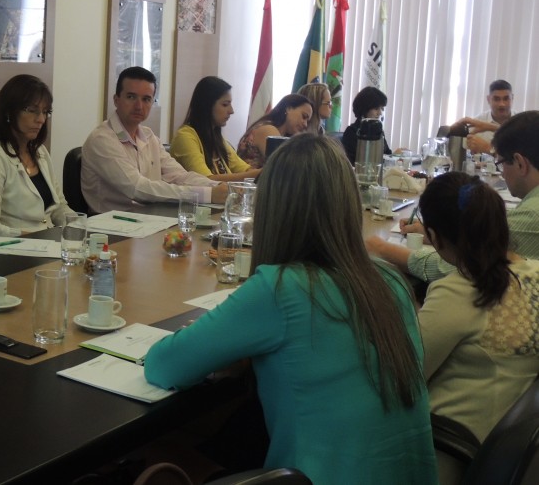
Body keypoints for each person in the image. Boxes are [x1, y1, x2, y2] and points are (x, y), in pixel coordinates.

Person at [143, 134, 436, 484]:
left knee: (152, 456)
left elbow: (163, 365)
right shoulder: (392, 282)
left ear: (271, 210)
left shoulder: (280, 288)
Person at [415, 172, 539, 481]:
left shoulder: (458, 293)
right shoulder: (536, 274)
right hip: (509, 454)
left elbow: (400, 379)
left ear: (434, 237)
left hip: (448, 457)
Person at [366, 111, 539, 283]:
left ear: (520, 163)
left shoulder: (530, 216)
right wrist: (442, 235)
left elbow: (459, 266)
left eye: (500, 163)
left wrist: (382, 248)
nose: (502, 173)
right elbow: (479, 241)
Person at [81, 67, 227, 213]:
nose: (139, 106)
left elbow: (179, 176)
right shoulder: (102, 139)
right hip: (111, 224)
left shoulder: (149, 136)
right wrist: (208, 195)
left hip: (151, 218)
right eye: (131, 97)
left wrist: (220, 187)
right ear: (116, 100)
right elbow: (137, 188)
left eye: (146, 99)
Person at [0, 74, 72, 241]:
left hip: (48, 243)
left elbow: (59, 207)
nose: (41, 119)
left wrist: (80, 227)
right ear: (9, 112)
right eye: (32, 110)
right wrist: (36, 238)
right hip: (16, 249)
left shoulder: (40, 152)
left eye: (45, 112)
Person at [169, 76, 261, 181]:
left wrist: (263, 172)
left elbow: (244, 170)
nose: (231, 111)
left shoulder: (216, 137)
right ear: (207, 105)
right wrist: (259, 174)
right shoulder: (185, 137)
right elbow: (206, 180)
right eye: (225, 104)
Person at [235, 93, 313, 169]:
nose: (305, 124)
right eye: (304, 116)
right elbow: (283, 168)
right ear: (289, 108)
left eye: (307, 121)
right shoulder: (268, 130)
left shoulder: (279, 133)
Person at [452, 79, 515, 155]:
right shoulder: (476, 124)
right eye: (496, 99)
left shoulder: (522, 121)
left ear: (512, 98)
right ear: (488, 99)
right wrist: (453, 131)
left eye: (506, 99)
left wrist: (487, 147)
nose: (502, 104)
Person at [341, 86, 392, 163]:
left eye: (381, 108)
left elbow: (387, 154)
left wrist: (396, 155)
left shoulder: (378, 130)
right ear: (365, 109)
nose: (380, 113)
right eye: (376, 109)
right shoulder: (351, 132)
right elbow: (352, 162)